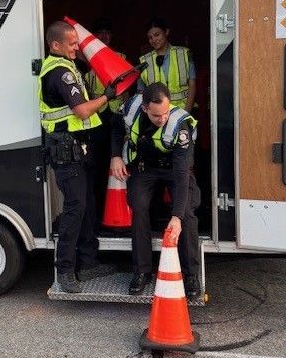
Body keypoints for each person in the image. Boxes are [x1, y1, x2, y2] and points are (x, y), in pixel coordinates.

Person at [39, 21, 120, 292]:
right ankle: (65, 271)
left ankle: (88, 262)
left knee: (87, 206)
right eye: (72, 43)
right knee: (74, 211)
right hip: (67, 153)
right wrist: (106, 97)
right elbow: (82, 111)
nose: (78, 47)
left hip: (78, 150)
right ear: (56, 45)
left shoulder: (69, 67)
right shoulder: (60, 72)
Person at [110, 82, 201, 299]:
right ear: (144, 108)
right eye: (156, 116)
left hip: (174, 170)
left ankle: (190, 275)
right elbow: (115, 124)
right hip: (145, 167)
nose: (163, 119)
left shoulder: (180, 127)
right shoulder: (132, 108)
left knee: (186, 213)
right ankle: (142, 271)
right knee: (139, 207)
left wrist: (176, 216)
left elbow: (181, 175)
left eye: (166, 113)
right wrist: (115, 155)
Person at [83, 17, 128, 220]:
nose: (104, 36)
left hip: (117, 117)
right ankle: (99, 213)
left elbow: (128, 89)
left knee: (120, 163)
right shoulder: (87, 62)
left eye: (107, 33)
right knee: (98, 168)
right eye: (100, 33)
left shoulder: (120, 56)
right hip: (96, 119)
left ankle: (120, 214)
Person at [137, 17, 196, 112]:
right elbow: (140, 92)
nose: (154, 40)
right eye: (150, 37)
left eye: (157, 35)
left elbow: (192, 85)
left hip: (182, 110)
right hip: (156, 115)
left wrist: (186, 114)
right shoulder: (144, 61)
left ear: (166, 32)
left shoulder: (184, 54)